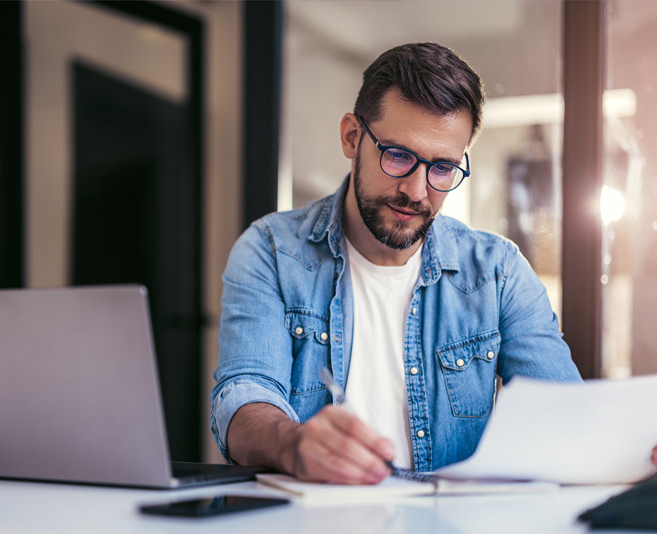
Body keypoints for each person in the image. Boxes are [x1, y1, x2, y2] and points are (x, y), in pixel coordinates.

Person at [210, 43, 657, 484]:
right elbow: (244, 397)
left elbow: (566, 416)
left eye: (443, 168)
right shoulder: (271, 250)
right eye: (399, 156)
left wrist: (630, 448)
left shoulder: (497, 272)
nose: (418, 191)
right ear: (352, 137)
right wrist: (291, 444)